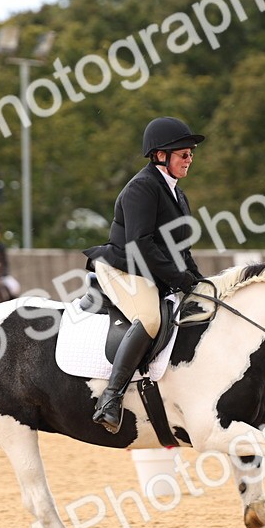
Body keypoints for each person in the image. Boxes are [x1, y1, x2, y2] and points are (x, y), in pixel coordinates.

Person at [82, 116, 207, 433]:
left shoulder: (178, 196)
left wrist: (199, 282)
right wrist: (181, 280)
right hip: (123, 266)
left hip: (149, 269)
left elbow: (182, 249)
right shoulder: (143, 187)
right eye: (184, 154)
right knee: (151, 319)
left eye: (190, 153)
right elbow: (141, 244)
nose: (190, 159)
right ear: (160, 155)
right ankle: (110, 397)